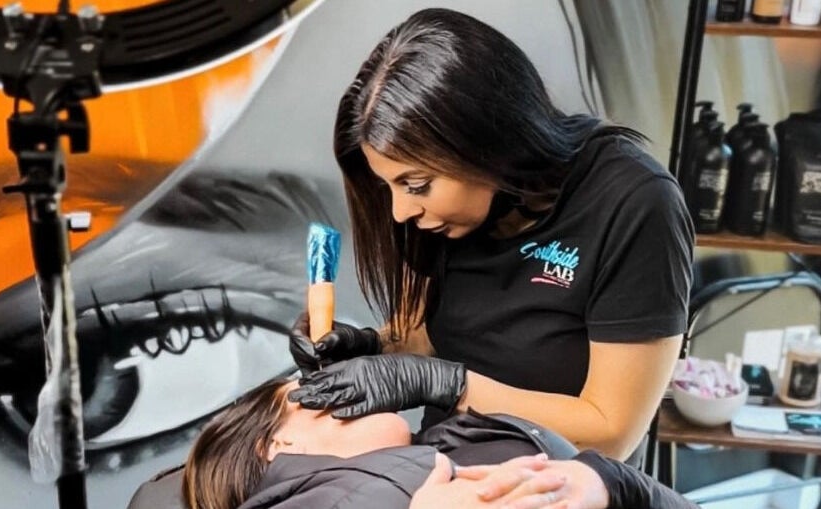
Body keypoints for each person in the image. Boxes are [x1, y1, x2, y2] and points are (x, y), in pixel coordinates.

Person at [288, 7, 694, 462]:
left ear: (484, 144)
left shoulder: (634, 203)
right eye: (389, 188)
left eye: (417, 185)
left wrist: (449, 385)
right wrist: (368, 349)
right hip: (437, 469)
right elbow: (427, 336)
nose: (401, 212)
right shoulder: (444, 219)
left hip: (552, 482)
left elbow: (610, 435)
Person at [156, 376, 698, 509]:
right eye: (310, 393)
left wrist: (608, 481)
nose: (343, 389)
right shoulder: (324, 494)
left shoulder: (446, 441)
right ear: (276, 446)